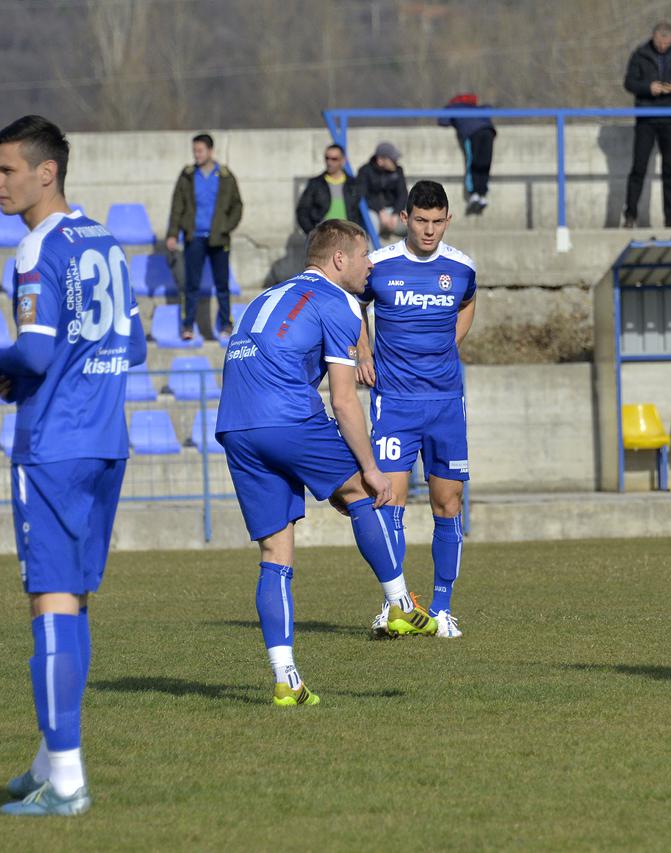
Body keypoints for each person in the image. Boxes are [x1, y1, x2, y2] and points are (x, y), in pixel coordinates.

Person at [0, 115, 147, 816]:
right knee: (75, 598)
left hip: (54, 447)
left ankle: (66, 780)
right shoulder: (106, 239)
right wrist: (45, 371)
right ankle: (47, 756)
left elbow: (34, 354)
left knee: (50, 601)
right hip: (106, 441)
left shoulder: (37, 248)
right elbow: (131, 351)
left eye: (6, 169)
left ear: (46, 173)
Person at [215, 219, 438, 706]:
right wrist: (370, 468)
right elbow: (343, 400)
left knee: (275, 555)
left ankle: (286, 679)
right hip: (286, 415)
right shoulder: (339, 302)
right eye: (363, 257)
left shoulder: (264, 297)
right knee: (363, 491)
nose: (369, 267)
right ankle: (400, 603)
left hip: (234, 424)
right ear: (339, 259)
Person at [355, 180, 476, 639]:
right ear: (405, 219)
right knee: (389, 501)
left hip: (446, 404)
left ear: (448, 219)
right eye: (420, 221)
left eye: (437, 222)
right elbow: (354, 307)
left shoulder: (461, 268)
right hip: (395, 405)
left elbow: (468, 304)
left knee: (448, 504)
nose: (429, 231)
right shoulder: (380, 267)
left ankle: (442, 608)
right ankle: (397, 604)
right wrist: (363, 352)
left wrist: (452, 342)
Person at [165, 133, 244, 338]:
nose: (197, 155)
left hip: (219, 238)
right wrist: (173, 233)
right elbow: (177, 206)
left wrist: (226, 227)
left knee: (222, 285)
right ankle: (187, 326)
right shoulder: (187, 175)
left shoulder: (225, 176)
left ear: (210, 151)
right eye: (194, 151)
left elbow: (237, 205)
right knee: (191, 284)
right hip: (194, 237)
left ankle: (226, 325)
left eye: (200, 151)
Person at [622, 21, 671, 229]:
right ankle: (630, 216)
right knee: (639, 168)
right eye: (659, 42)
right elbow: (629, 83)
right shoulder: (640, 54)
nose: (663, 46)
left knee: (669, 170)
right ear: (654, 37)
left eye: (666, 42)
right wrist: (648, 88)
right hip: (646, 119)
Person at [439, 92, 497, 214]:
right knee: (485, 163)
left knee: (473, 162)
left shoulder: (453, 108)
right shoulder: (477, 108)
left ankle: (473, 193)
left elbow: (442, 121)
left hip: (471, 133)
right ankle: (482, 193)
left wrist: (455, 122)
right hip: (488, 131)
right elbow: (490, 109)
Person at [295, 143, 363, 234]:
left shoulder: (354, 184)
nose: (329, 162)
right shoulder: (315, 183)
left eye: (334, 159)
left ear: (343, 161)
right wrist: (312, 232)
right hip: (324, 235)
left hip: (348, 234)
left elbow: (362, 210)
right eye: (327, 158)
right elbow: (302, 210)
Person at [357, 141, 408, 236]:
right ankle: (371, 250)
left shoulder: (398, 170)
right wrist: (380, 210)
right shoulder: (365, 171)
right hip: (374, 211)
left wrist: (396, 213)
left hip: (393, 211)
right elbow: (362, 194)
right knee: (371, 222)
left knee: (415, 224)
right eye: (393, 160)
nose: (396, 162)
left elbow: (403, 194)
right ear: (380, 160)